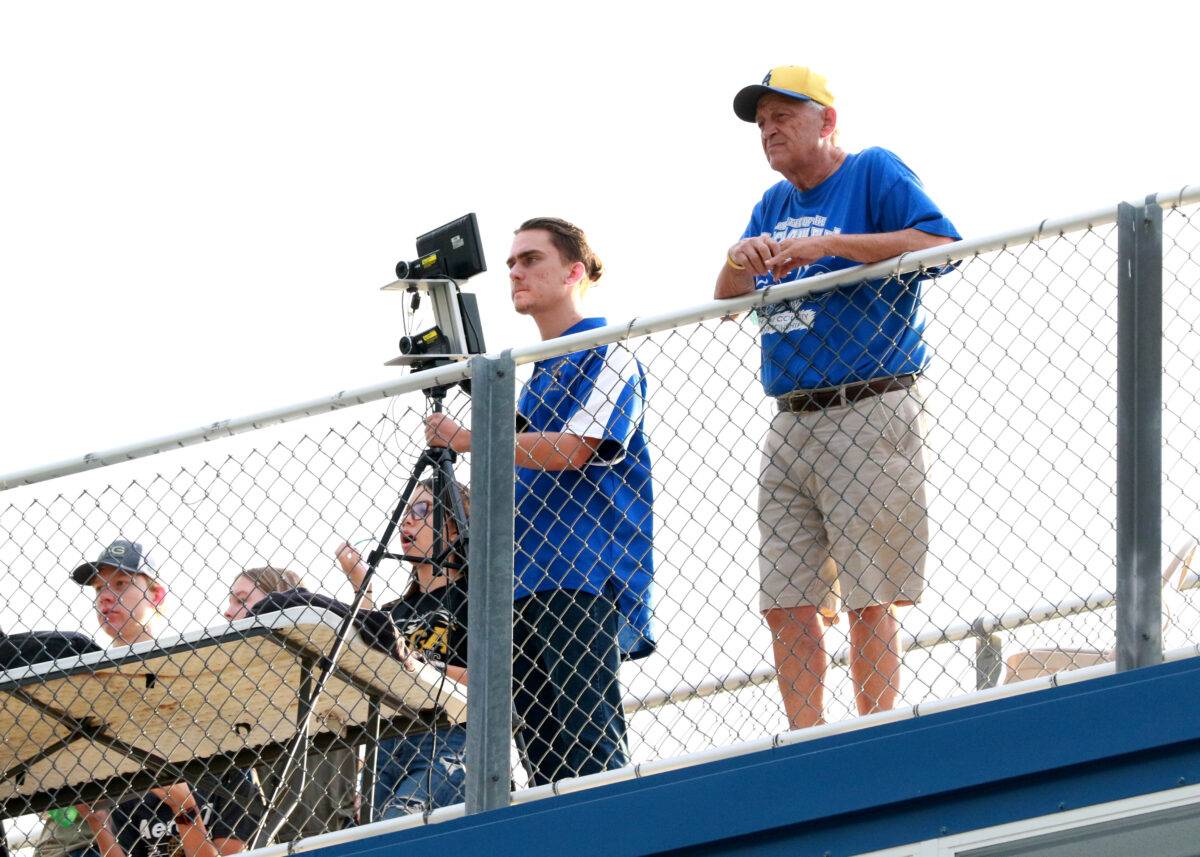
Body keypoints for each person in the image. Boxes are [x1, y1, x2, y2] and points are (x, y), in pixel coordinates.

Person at [716, 67, 960, 730]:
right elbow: (725, 301)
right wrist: (740, 257)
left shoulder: (873, 170)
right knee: (784, 596)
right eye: (761, 121)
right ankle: (807, 740)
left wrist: (828, 246)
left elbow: (941, 246)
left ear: (827, 120)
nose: (768, 130)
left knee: (868, 592)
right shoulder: (770, 203)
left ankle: (874, 734)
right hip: (791, 418)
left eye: (782, 116)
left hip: (867, 404)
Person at [424, 217, 654, 785]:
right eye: (511, 263)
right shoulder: (535, 371)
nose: (515, 272)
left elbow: (578, 448)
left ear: (574, 271)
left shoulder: (606, 349)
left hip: (581, 572)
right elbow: (524, 463)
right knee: (541, 757)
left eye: (530, 259)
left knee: (589, 746)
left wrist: (471, 438)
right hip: (521, 578)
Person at [69, 539, 263, 857]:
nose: (105, 596)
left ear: (156, 595)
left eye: (121, 584)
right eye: (98, 588)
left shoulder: (196, 679)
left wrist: (182, 807)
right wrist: (97, 820)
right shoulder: (103, 717)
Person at [336, 479, 470, 816]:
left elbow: (492, 678)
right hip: (390, 742)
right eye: (406, 511)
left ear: (454, 529)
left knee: (399, 820)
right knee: (364, 833)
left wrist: (419, 666)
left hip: (450, 737)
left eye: (422, 510)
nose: (407, 520)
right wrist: (362, 587)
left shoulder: (474, 597)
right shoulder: (395, 610)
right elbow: (370, 661)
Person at [221, 566, 358, 840]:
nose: (227, 611)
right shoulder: (246, 682)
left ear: (278, 599)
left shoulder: (327, 667)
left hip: (330, 830)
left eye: (241, 599)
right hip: (282, 837)